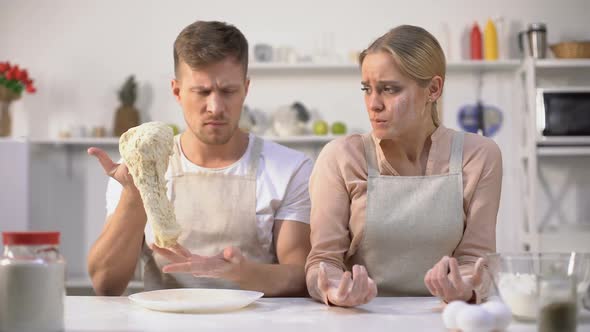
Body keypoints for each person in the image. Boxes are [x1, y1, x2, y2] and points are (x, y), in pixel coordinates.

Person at [87, 20, 312, 297]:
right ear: (177, 91)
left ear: (246, 89)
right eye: (202, 91)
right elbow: (105, 284)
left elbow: (301, 276)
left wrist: (242, 272)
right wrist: (135, 194)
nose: (215, 108)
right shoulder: (138, 167)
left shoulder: (290, 169)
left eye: (228, 91)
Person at [305, 25, 502, 307]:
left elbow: (476, 259)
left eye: (389, 89)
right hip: (360, 318)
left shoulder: (479, 155)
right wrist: (335, 290)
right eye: (367, 89)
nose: (373, 104)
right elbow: (323, 261)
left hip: (444, 318)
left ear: (433, 89)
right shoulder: (340, 157)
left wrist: (466, 288)